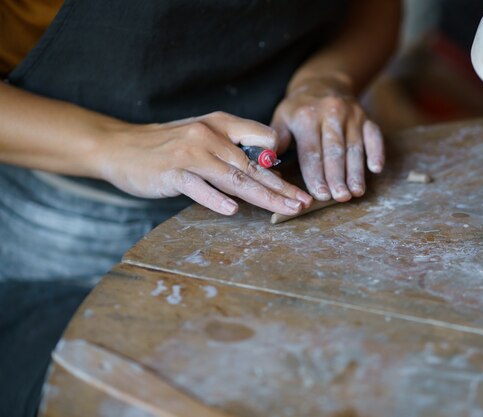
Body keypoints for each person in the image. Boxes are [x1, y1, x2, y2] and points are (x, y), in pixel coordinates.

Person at [0, 0, 401, 415]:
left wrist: (324, 80)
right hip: (66, 233)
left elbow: (376, 9)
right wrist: (111, 144)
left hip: (281, 183)